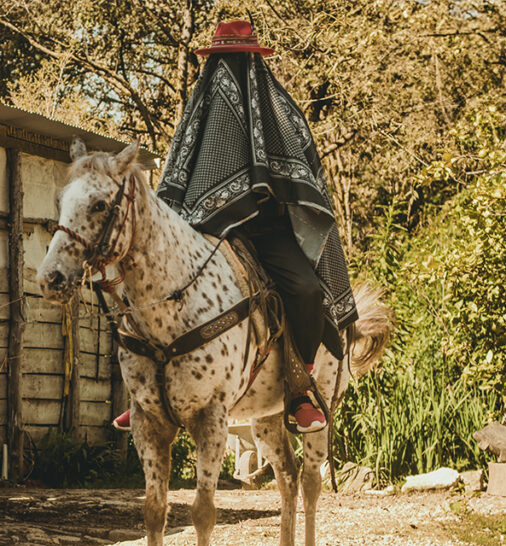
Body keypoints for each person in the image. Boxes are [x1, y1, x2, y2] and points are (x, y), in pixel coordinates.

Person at [113, 19, 357, 434]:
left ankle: (300, 390)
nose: (229, 67)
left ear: (253, 60)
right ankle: (142, 396)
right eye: (221, 58)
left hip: (269, 232)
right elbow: (181, 170)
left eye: (236, 57)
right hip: (204, 229)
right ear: (212, 61)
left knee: (307, 290)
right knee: (136, 290)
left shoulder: (280, 111)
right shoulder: (199, 109)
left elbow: (303, 177)